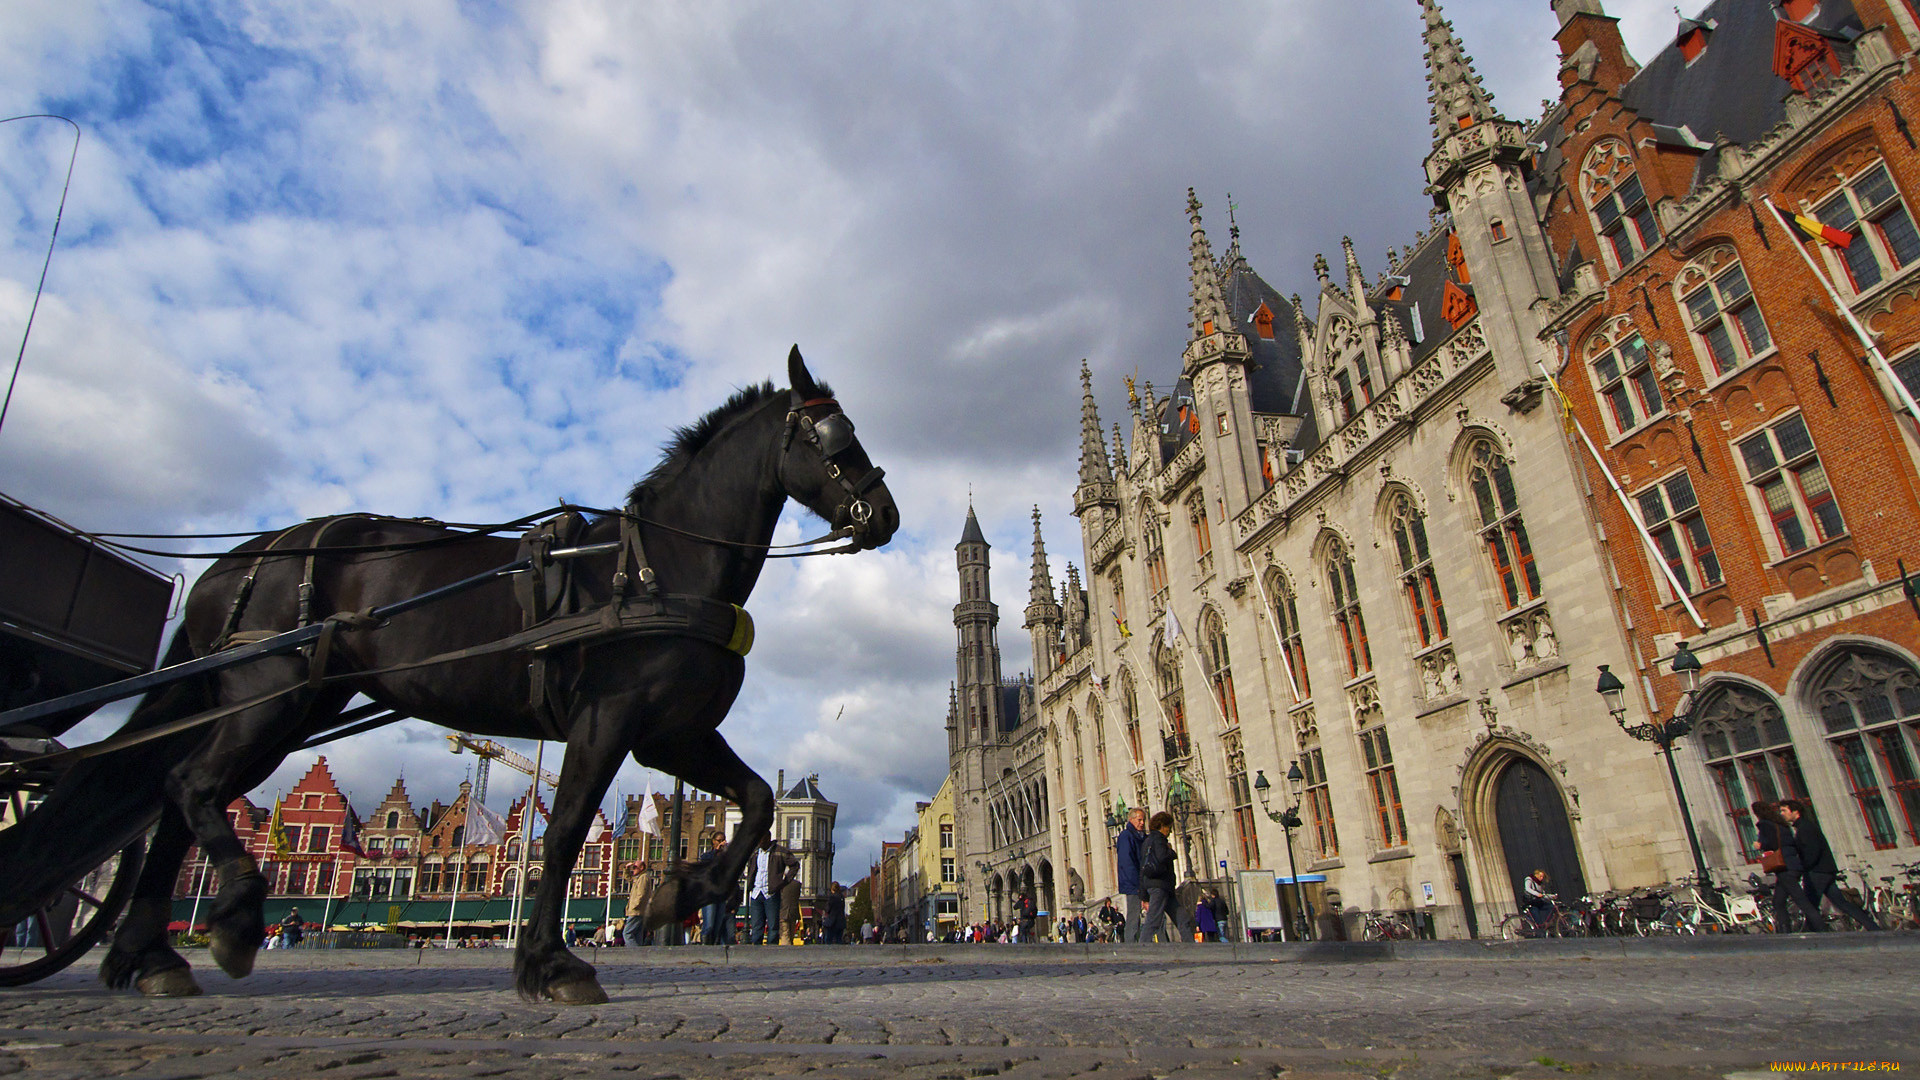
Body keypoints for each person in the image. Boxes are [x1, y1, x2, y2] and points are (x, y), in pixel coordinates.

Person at [1780, 799, 1882, 931]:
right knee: (1841, 903)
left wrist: (1803, 867)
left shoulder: (1805, 828)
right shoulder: (1804, 827)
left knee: (1810, 905)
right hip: (1823, 871)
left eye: (1784, 810)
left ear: (1795, 812)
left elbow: (1812, 852)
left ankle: (1813, 932)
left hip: (1817, 872)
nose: (1782, 814)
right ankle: (1872, 926)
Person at [1754, 800, 1822, 933]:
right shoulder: (1781, 825)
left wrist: (1760, 846)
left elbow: (1772, 843)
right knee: (1778, 902)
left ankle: (1821, 928)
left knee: (1801, 901)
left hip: (1784, 866)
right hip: (1791, 865)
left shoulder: (1765, 825)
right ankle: (1785, 931)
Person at [1139, 811, 1178, 943]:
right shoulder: (1159, 840)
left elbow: (1142, 869)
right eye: (1169, 827)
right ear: (1162, 826)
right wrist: (1172, 852)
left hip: (1161, 885)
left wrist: (1143, 895)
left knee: (1183, 919)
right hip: (1160, 885)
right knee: (1153, 921)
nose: (1170, 831)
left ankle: (1191, 949)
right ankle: (1139, 949)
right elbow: (1162, 857)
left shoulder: (1147, 841)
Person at [1115, 807, 1147, 942]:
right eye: (1139, 820)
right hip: (1134, 884)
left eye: (1144, 820)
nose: (1142, 823)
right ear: (1131, 819)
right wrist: (1137, 885)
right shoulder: (1126, 836)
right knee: (1134, 916)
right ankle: (1130, 945)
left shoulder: (1141, 836)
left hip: (1143, 882)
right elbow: (1127, 863)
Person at [621, 857, 653, 947]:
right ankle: (639, 952)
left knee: (627, 934)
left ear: (641, 867)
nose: (633, 869)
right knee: (637, 935)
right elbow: (629, 878)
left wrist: (635, 906)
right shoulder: (639, 878)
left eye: (635, 867)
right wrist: (626, 868)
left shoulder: (643, 878)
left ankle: (635, 953)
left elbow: (641, 894)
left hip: (636, 911)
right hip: (640, 911)